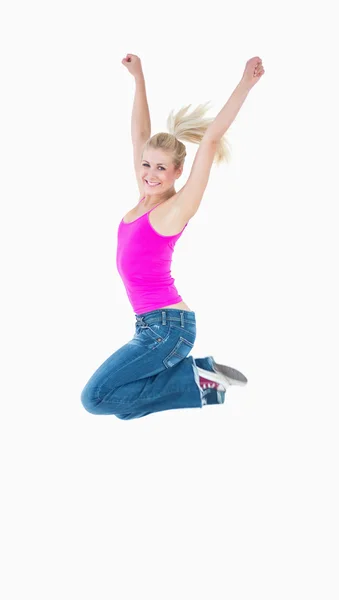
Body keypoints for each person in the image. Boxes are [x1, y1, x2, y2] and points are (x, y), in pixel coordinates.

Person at [81, 53, 265, 420]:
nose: (150, 173)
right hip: (148, 327)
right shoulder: (142, 200)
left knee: (96, 399)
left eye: (161, 168)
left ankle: (196, 378)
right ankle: (202, 381)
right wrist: (139, 79)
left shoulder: (174, 210)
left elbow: (211, 140)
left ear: (178, 171)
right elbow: (139, 135)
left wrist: (246, 83)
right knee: (124, 408)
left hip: (168, 330)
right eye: (146, 164)